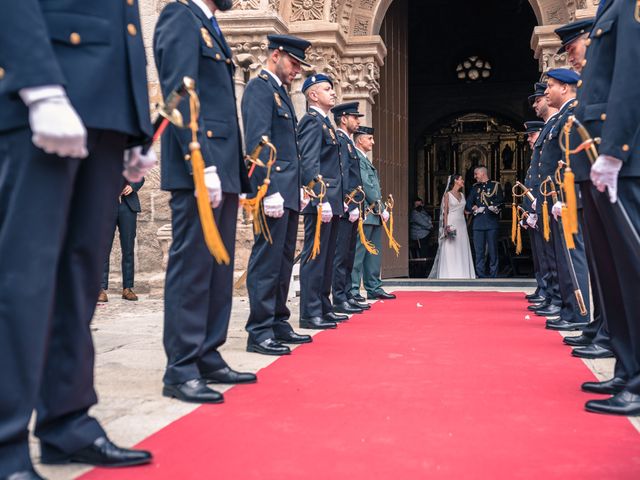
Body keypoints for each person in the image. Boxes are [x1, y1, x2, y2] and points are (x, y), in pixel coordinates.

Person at [0, 1, 157, 477]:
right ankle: (5, 441)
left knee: (80, 278)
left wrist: (134, 127)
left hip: (105, 111)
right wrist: (40, 85)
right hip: (49, 91)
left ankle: (67, 422)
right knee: (25, 279)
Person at [154, 0, 256, 405]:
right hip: (201, 165)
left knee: (218, 265)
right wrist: (202, 163)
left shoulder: (210, 25)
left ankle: (208, 354)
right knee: (193, 265)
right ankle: (180, 368)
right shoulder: (181, 15)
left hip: (223, 168)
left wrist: (232, 170)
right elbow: (178, 94)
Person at [572, 0, 640, 416]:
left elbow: (632, 76)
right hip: (601, 154)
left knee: (631, 272)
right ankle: (628, 367)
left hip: (623, 159)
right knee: (615, 274)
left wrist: (615, 150)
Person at [242, 34, 313, 356]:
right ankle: (259, 330)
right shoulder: (260, 88)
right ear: (276, 55)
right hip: (271, 192)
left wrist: (298, 186)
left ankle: (277, 321)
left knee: (283, 260)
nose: (296, 70)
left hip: (287, 192)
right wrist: (265, 188)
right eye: (294, 63)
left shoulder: (281, 95)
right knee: (267, 261)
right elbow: (258, 143)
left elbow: (290, 149)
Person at [553, 17, 614, 360]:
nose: (570, 57)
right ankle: (601, 326)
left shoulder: (602, 75)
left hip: (604, 180)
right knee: (598, 260)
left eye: (572, 48)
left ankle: (606, 329)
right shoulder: (590, 82)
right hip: (583, 187)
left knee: (605, 261)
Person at [537, 68, 590, 332]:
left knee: (572, 254)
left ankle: (579, 312)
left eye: (550, 86)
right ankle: (570, 309)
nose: (546, 92)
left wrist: (567, 196)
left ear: (565, 88)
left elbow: (571, 158)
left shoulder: (571, 114)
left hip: (565, 195)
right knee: (562, 255)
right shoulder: (559, 120)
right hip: (554, 196)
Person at [298, 74, 346, 330]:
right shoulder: (311, 122)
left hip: (334, 201)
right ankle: (310, 312)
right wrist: (321, 198)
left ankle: (323, 306)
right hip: (322, 201)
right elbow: (309, 163)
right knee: (315, 256)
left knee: (327, 257)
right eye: (328, 89)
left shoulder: (326, 124)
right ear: (313, 95)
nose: (333, 92)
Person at [331, 102, 370, 315]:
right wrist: (348, 202)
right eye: (355, 117)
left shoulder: (347, 143)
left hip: (352, 204)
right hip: (345, 205)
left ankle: (346, 294)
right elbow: (342, 173)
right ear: (343, 119)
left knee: (348, 253)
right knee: (341, 255)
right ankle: (339, 297)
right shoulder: (339, 140)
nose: (358, 121)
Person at [349, 127, 397, 301]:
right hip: (365, 212)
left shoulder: (364, 159)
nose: (373, 142)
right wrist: (381, 207)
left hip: (373, 214)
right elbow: (366, 186)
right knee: (358, 254)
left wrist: (380, 208)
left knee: (374, 254)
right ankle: (353, 290)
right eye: (370, 138)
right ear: (360, 140)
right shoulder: (357, 158)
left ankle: (374, 286)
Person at [99, 178, 145, 303]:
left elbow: (140, 175)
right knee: (103, 248)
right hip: (106, 205)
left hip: (128, 205)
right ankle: (101, 289)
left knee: (128, 248)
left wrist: (132, 186)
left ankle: (127, 288)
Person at [429, 175, 475, 279]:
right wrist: (446, 227)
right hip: (452, 222)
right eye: (461, 179)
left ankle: (463, 274)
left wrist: (473, 208)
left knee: (461, 247)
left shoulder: (462, 195)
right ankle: (450, 274)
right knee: (451, 248)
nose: (463, 181)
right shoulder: (447, 195)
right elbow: (445, 212)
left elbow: (464, 211)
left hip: (462, 224)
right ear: (455, 181)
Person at [464, 166, 504, 278]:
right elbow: (468, 204)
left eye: (476, 174)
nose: (475, 177)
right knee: (479, 252)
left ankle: (493, 276)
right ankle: (480, 275)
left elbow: (501, 202)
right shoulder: (475, 187)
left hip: (492, 223)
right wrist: (473, 207)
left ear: (482, 173)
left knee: (493, 251)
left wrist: (495, 207)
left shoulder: (495, 185)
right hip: (478, 224)